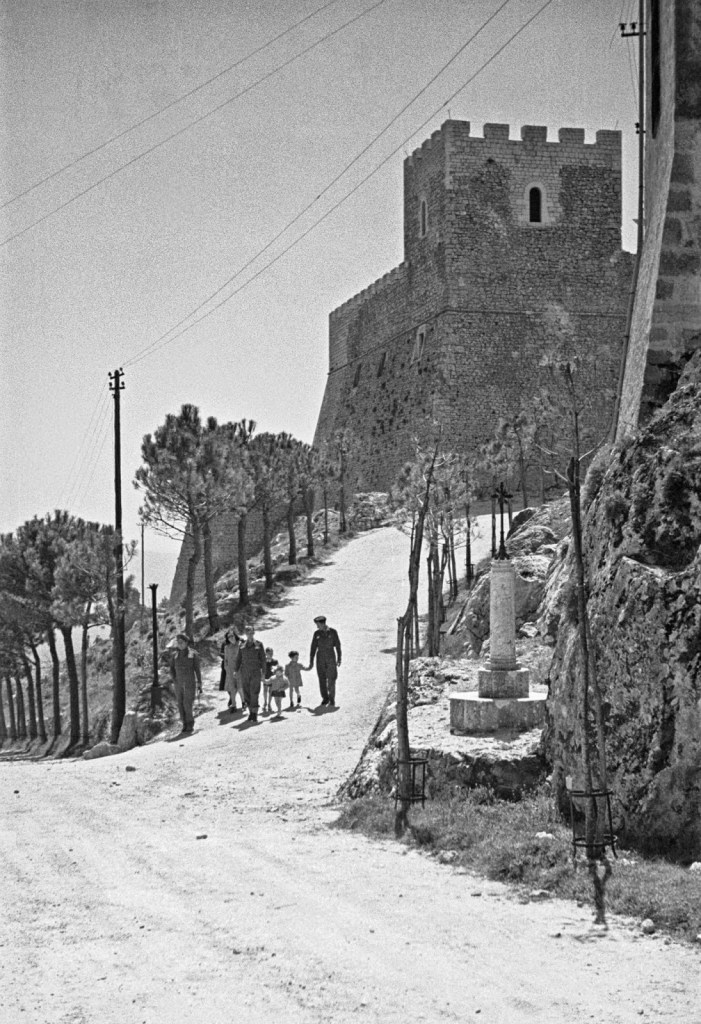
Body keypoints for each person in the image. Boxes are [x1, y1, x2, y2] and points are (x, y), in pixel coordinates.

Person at [170, 632, 203, 734]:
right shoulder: (175, 655)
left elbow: (197, 669)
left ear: (186, 642)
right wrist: (174, 679)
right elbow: (171, 668)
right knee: (180, 704)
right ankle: (184, 723)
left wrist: (199, 682)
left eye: (181, 642)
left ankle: (190, 723)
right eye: (178, 642)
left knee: (187, 703)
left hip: (189, 683)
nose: (179, 644)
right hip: (178, 684)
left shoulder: (193, 654)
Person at [307, 615, 342, 707]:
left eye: (318, 624)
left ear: (323, 623)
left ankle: (332, 699)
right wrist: (311, 661)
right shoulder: (316, 634)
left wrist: (339, 658)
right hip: (320, 658)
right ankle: (325, 698)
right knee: (322, 679)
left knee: (331, 679)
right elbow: (313, 647)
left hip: (331, 657)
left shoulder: (333, 632)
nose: (317, 626)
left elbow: (338, 645)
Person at [235, 626, 266, 722]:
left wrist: (263, 673)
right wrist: (236, 670)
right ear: (245, 634)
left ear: (254, 633)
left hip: (255, 672)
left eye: (251, 632)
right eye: (248, 633)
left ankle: (254, 713)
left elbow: (263, 659)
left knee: (254, 692)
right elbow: (239, 659)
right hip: (244, 672)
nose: (250, 634)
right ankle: (250, 712)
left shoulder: (259, 644)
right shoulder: (242, 645)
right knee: (246, 693)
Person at [223, 631, 245, 711]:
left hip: (239, 669)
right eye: (229, 637)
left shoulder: (240, 644)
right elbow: (225, 659)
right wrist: (226, 667)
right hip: (230, 670)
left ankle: (243, 703)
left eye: (232, 636)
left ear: (235, 635)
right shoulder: (226, 647)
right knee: (232, 688)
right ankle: (234, 705)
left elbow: (244, 656)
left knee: (240, 687)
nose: (231, 638)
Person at [263, 647, 279, 713]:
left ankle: (269, 704)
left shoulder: (275, 661)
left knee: (270, 691)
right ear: (266, 653)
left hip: (272, 677)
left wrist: (276, 670)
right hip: (265, 676)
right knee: (265, 690)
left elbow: (279, 668)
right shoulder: (263, 661)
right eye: (269, 653)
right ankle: (265, 702)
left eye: (272, 653)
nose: (271, 654)